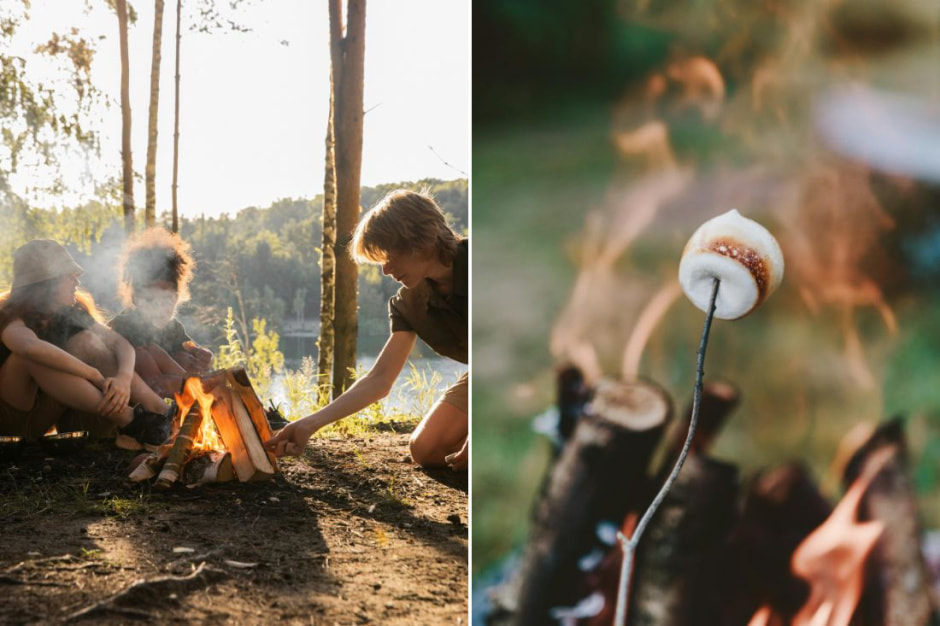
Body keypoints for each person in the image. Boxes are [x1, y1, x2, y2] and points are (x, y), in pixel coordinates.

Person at [266, 190, 469, 470]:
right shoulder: (408, 305)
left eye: (389, 256)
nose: (385, 270)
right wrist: (308, 424)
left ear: (420, 239)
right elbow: (379, 379)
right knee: (425, 449)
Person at [0, 239, 175, 450]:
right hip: (10, 423)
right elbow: (29, 348)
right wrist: (92, 375)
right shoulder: (9, 316)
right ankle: (131, 422)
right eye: (69, 276)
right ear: (47, 284)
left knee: (87, 342)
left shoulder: (69, 313)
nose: (76, 282)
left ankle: (160, 414)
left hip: (48, 417)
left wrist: (123, 378)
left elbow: (119, 343)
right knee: (28, 358)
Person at [109, 228, 213, 399]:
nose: (159, 308)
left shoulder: (173, 328)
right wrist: (196, 385)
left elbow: (190, 354)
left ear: (178, 297)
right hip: (128, 404)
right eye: (150, 300)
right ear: (135, 298)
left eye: (167, 300)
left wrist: (203, 357)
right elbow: (154, 382)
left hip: (164, 395)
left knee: (184, 357)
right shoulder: (125, 326)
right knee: (151, 354)